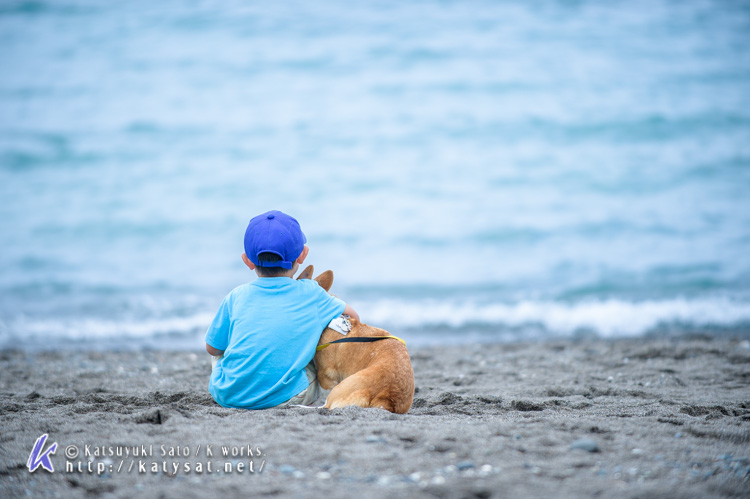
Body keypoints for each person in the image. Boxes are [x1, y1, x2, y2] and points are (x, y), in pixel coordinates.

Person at [205, 210, 359, 409]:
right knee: (308, 357)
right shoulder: (312, 293)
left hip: (228, 395)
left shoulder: (236, 296)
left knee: (220, 345)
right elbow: (352, 317)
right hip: (287, 398)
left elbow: (212, 349)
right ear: (303, 255)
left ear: (247, 260)